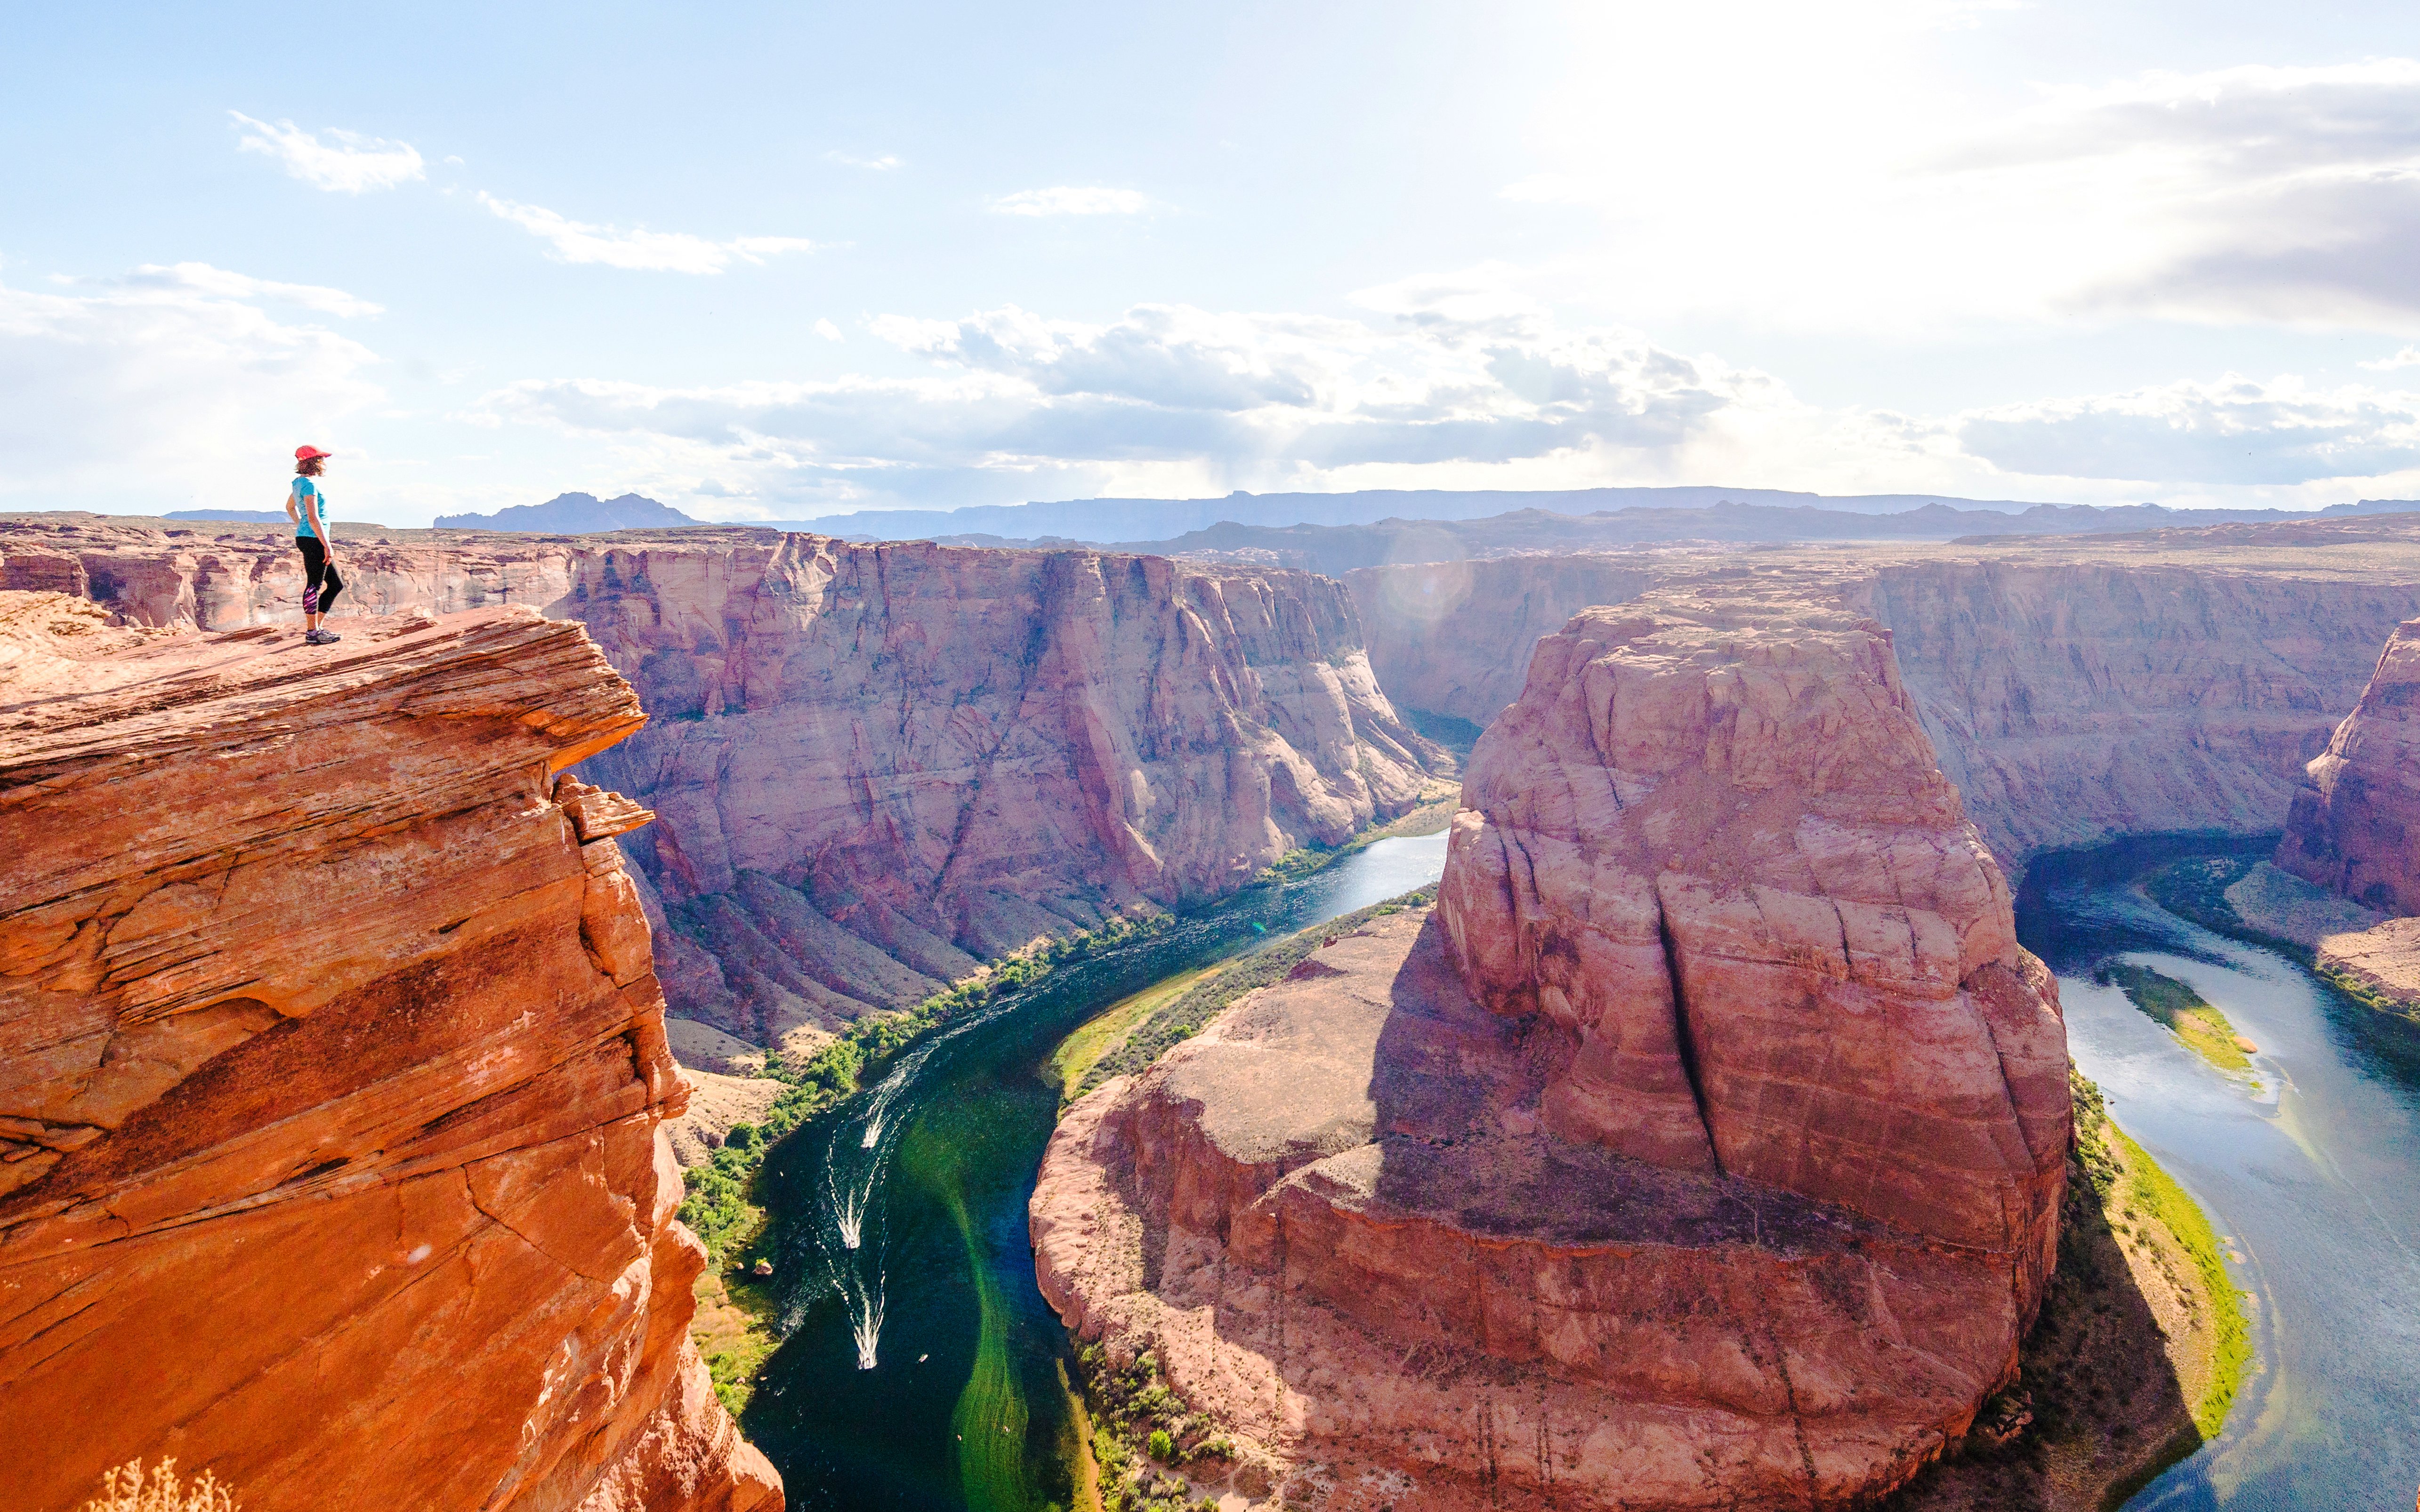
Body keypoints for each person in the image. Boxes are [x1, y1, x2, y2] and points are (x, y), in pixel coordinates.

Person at [286, 445, 344, 643]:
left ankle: (317, 629)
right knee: (314, 585)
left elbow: (290, 507)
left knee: (336, 585)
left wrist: (300, 525)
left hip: (308, 537)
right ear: (313, 462)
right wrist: (327, 545)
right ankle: (313, 633)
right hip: (314, 540)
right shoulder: (309, 486)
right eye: (320, 459)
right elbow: (313, 518)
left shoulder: (298, 483)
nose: (323, 463)